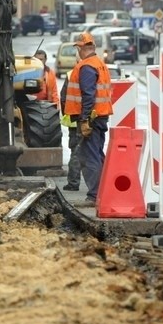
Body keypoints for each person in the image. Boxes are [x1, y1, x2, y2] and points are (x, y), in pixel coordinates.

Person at [66, 33, 113, 207]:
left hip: (91, 119)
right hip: (100, 116)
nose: (77, 52)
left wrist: (84, 119)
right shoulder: (100, 64)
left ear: (82, 48)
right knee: (98, 154)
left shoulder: (86, 66)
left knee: (89, 156)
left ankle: (94, 196)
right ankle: (103, 192)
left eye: (77, 48)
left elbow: (88, 95)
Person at [59, 56, 82, 192]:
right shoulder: (95, 71)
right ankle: (99, 186)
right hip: (92, 119)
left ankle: (73, 183)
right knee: (93, 153)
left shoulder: (71, 74)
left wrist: (69, 114)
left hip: (75, 122)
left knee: (76, 152)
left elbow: (63, 98)